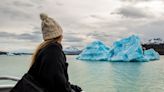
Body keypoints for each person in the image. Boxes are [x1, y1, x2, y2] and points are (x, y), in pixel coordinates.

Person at [27, 13, 82, 92]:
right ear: (59, 35)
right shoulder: (53, 50)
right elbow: (58, 84)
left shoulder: (43, 49)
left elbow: (51, 79)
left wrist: (71, 87)